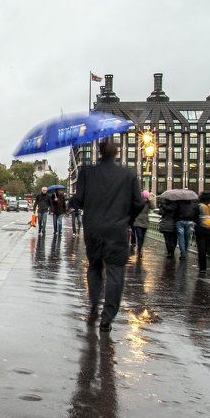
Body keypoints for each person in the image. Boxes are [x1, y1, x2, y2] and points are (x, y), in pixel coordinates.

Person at [69, 140, 144, 331]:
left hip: (93, 229)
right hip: (117, 230)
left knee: (94, 266)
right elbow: (138, 203)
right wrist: (127, 219)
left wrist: (73, 201)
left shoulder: (87, 172)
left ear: (99, 153)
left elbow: (79, 200)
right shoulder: (128, 175)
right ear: (116, 153)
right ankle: (107, 317)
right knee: (115, 271)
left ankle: (94, 302)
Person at [132, 191, 152, 258]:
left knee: (142, 238)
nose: (145, 198)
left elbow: (153, 207)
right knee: (139, 236)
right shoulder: (138, 202)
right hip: (137, 222)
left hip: (145, 222)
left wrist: (150, 201)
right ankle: (139, 251)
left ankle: (140, 248)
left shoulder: (148, 203)